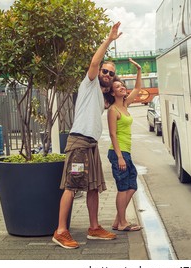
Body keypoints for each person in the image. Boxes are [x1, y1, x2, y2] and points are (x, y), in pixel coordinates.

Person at [52, 22, 123, 249]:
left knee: (93, 186)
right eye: (105, 71)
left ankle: (94, 228)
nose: (107, 74)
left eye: (111, 74)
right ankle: (61, 231)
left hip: (91, 146)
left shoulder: (103, 97)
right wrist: (109, 40)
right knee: (72, 185)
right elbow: (94, 61)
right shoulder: (89, 83)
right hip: (79, 144)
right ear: (99, 71)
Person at [106, 58, 143, 232]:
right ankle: (122, 223)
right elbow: (113, 134)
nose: (122, 88)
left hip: (125, 152)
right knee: (123, 187)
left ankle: (117, 220)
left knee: (132, 186)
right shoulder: (113, 110)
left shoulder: (126, 105)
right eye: (118, 87)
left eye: (122, 86)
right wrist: (120, 157)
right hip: (118, 153)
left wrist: (138, 71)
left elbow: (137, 88)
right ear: (113, 93)